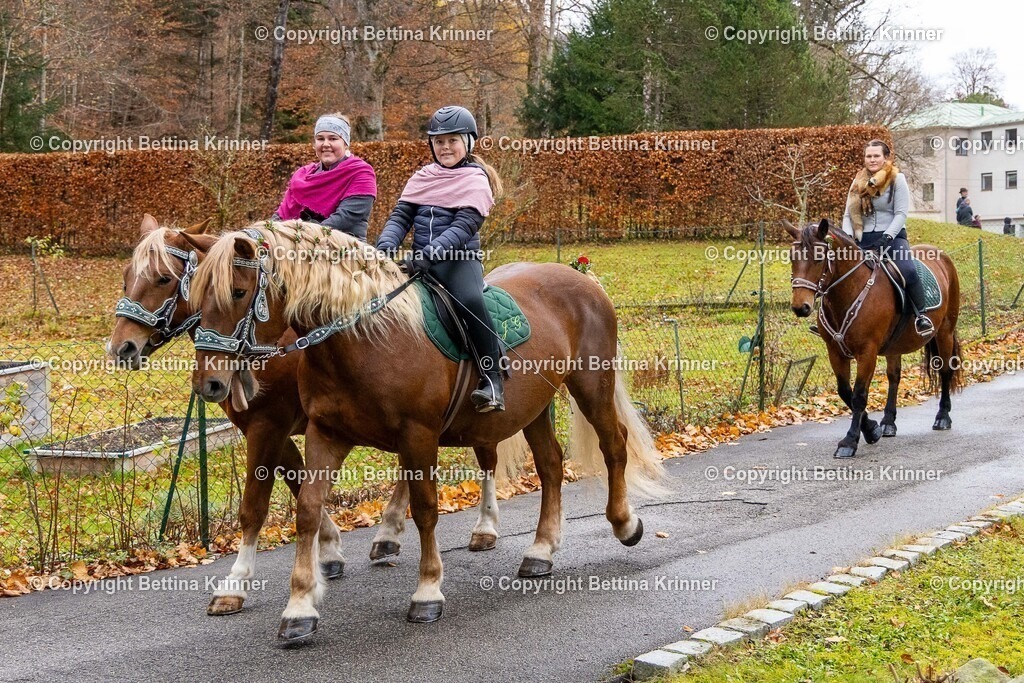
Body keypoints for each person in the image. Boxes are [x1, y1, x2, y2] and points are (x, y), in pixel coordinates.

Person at [375, 105, 506, 412]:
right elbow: (400, 217)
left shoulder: (476, 180)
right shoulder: (423, 177)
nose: (445, 147)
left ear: (468, 142)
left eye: (452, 140)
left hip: (459, 261)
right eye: (439, 141)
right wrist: (385, 247)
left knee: (470, 301)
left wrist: (429, 254)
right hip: (420, 261)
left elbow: (463, 227)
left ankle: (492, 379)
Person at [842, 139, 934, 337]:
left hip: (892, 238)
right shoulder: (857, 182)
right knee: (837, 271)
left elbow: (901, 214)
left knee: (908, 270)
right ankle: (830, 321)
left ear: (886, 157)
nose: (872, 159)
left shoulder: (897, 179)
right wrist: (848, 238)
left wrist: (886, 238)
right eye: (868, 156)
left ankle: (921, 316)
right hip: (862, 239)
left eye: (876, 156)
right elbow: (848, 215)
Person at [271, 112, 377, 239]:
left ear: (345, 143)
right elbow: (281, 215)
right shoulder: (302, 175)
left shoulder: (361, 173)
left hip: (344, 246)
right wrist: (267, 231)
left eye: (333, 138)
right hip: (298, 244)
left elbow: (346, 217)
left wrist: (303, 237)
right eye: (320, 139)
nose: (326, 144)